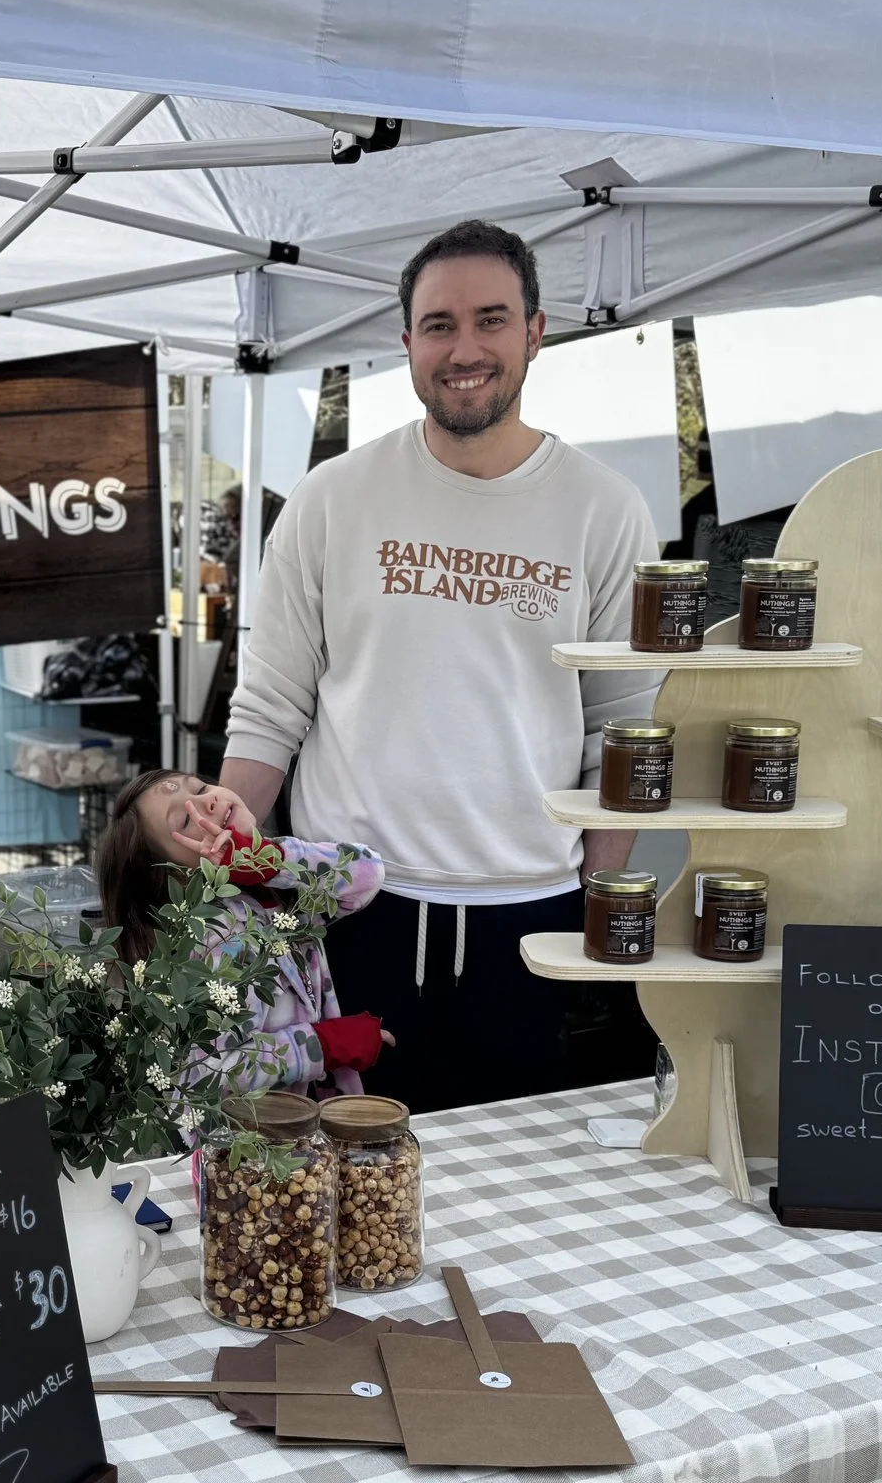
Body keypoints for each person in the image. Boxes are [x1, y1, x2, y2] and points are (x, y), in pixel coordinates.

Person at [218, 219, 658, 1112]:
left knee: (515, 1190)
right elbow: (270, 705)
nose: (465, 349)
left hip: (528, 915)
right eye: (439, 325)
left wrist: (599, 913)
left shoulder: (604, 510)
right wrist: (207, 879)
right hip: (346, 913)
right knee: (345, 1181)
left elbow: (626, 736)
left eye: (491, 320)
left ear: (536, 331)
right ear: (406, 341)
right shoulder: (331, 500)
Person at [93, 768, 385, 1099]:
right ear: (173, 876)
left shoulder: (272, 885)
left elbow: (368, 873)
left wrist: (270, 860)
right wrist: (326, 1044)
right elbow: (214, 1069)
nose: (209, 802)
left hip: (300, 1124)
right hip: (251, 1141)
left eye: (200, 787)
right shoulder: (218, 940)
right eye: (186, 821)